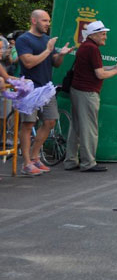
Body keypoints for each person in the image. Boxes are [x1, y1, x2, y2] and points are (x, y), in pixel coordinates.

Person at [64, 21, 117, 172]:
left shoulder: (85, 46)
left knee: (76, 127)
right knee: (89, 128)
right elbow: (100, 73)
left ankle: (71, 161)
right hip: (87, 93)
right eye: (103, 34)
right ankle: (88, 163)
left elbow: (97, 68)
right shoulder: (92, 49)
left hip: (77, 90)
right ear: (93, 34)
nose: (105, 37)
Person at [16, 9, 73, 176]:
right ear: (34, 21)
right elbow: (28, 63)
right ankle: (26, 163)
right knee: (28, 125)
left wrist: (60, 55)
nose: (48, 24)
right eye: (44, 21)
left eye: (48, 21)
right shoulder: (24, 39)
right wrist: (48, 51)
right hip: (29, 89)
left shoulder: (48, 40)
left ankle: (35, 157)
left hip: (46, 88)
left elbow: (55, 63)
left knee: (50, 122)